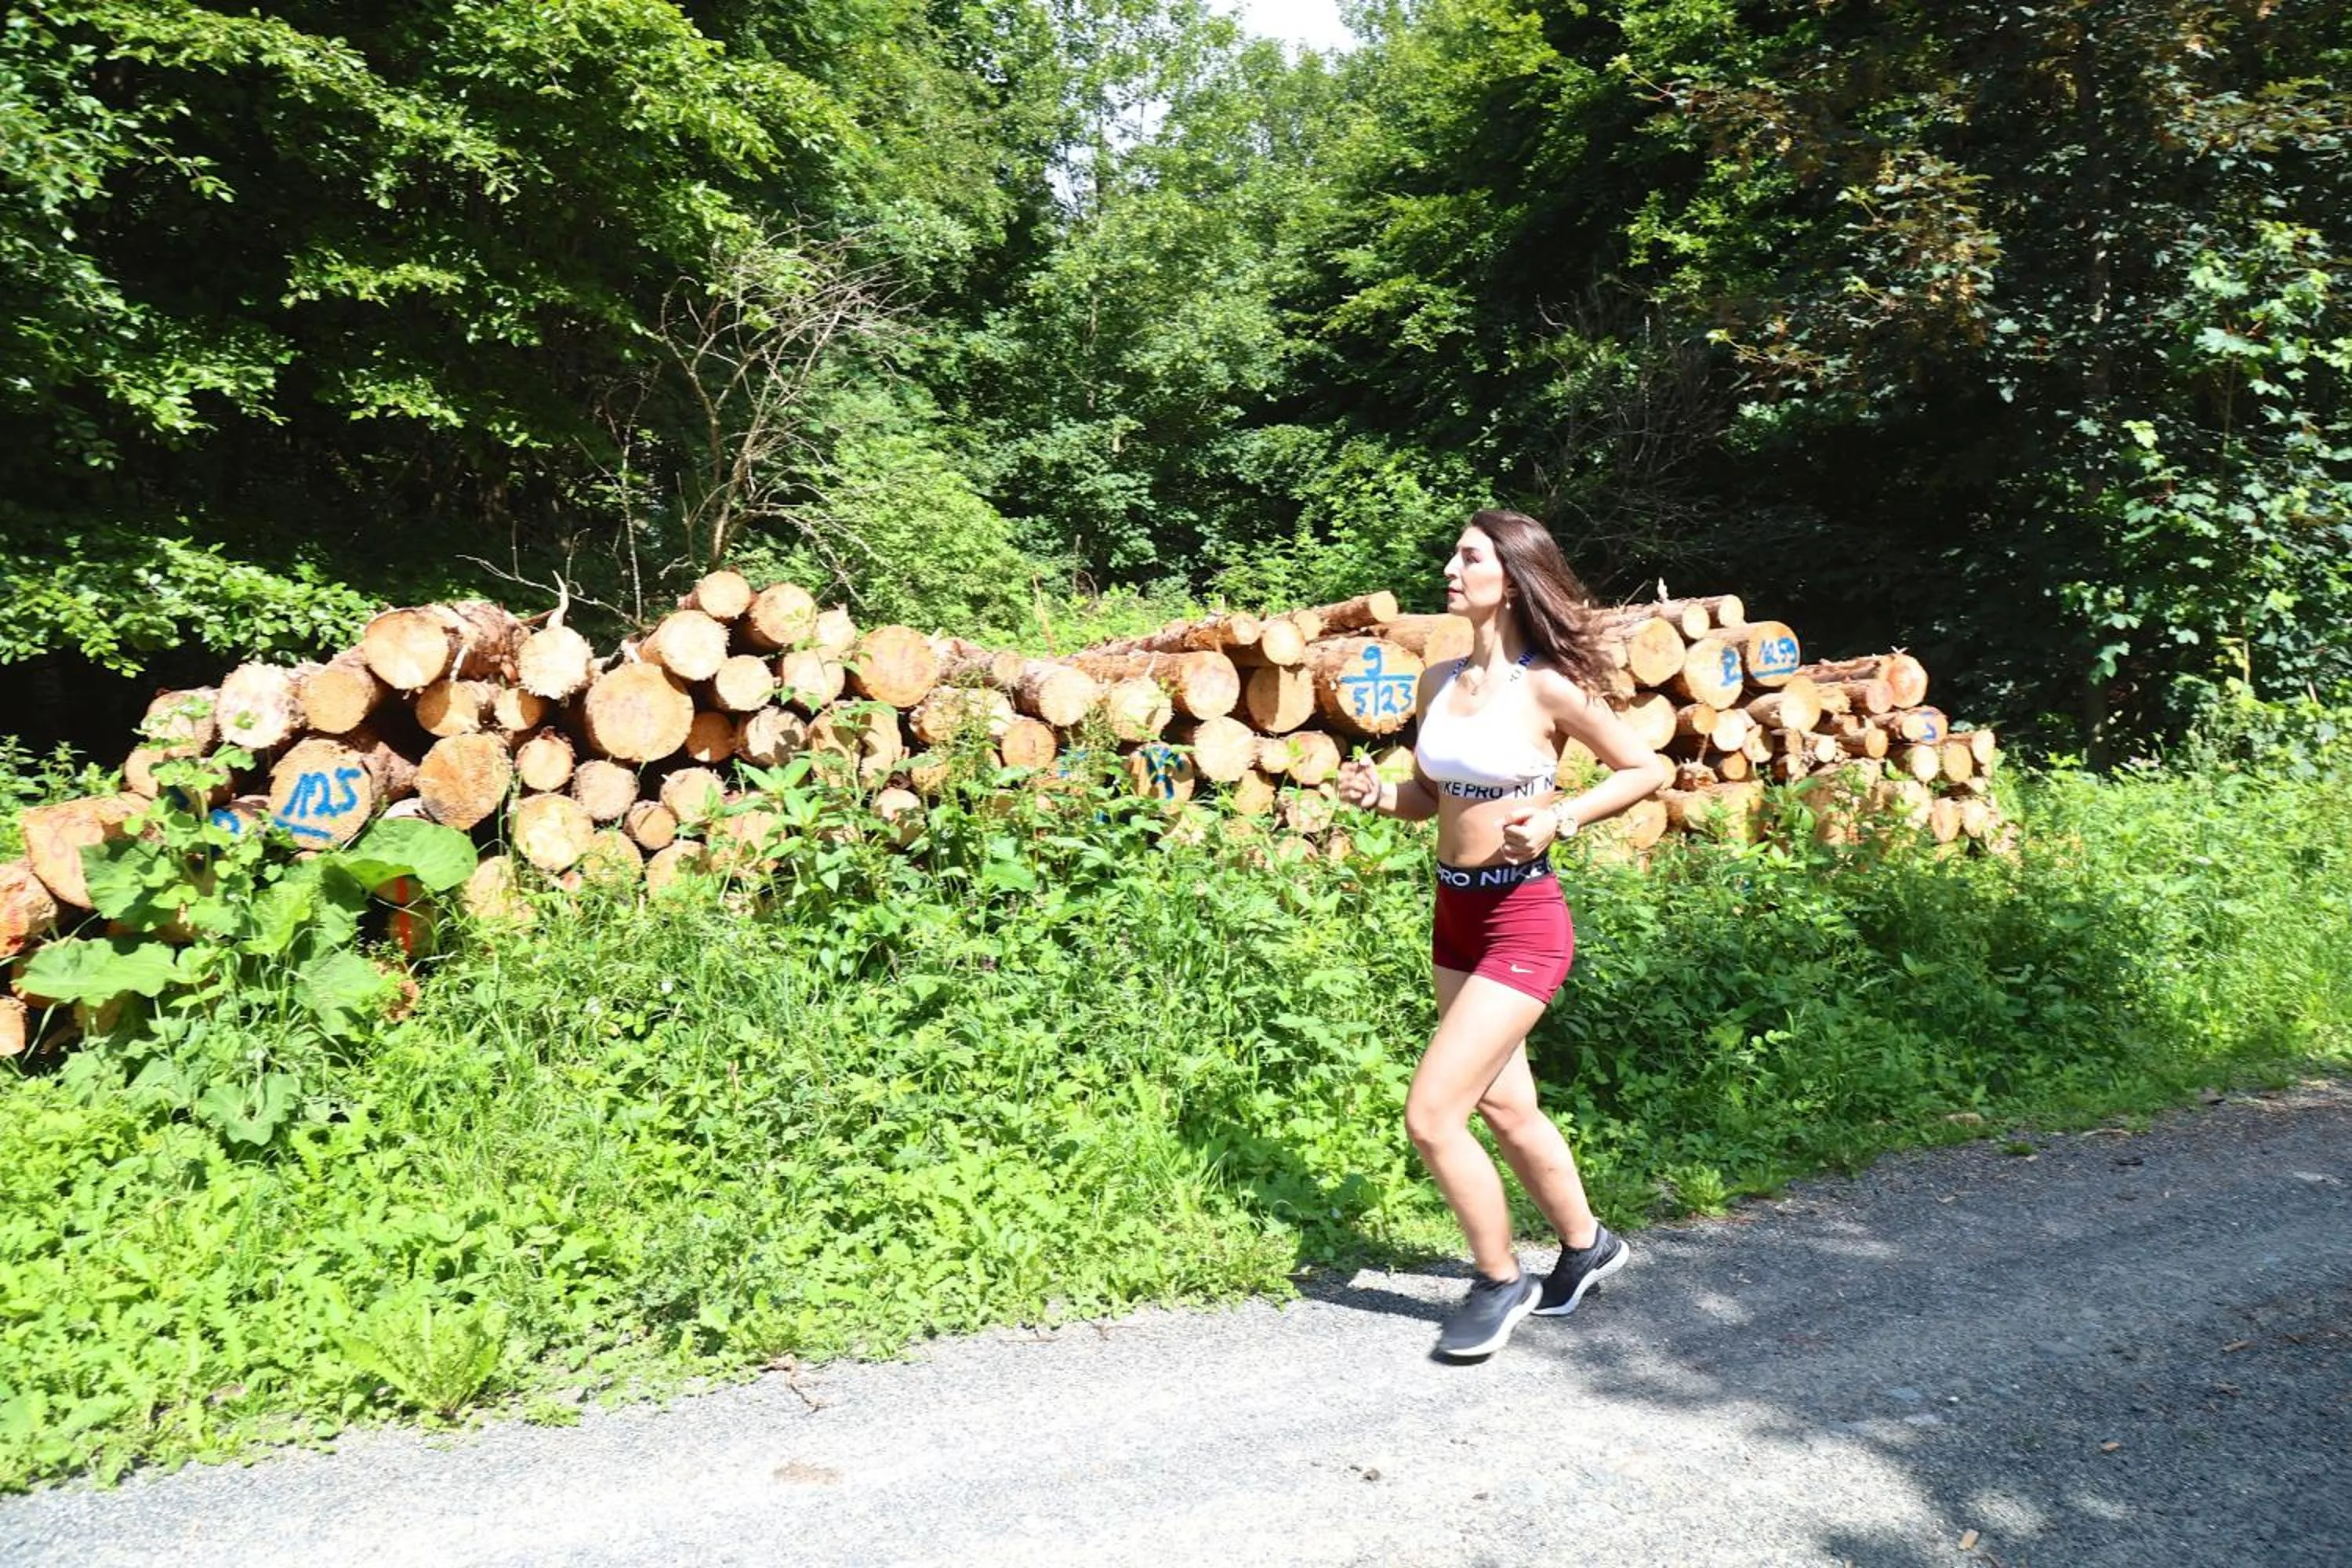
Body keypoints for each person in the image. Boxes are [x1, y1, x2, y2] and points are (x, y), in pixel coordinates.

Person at [1336, 509, 1671, 1359]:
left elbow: (1645, 767)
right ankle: (1587, 1242)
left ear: (1512, 576)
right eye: (1454, 550)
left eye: (1470, 554)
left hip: (1524, 914)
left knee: (1433, 1113)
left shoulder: (1547, 686)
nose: (1452, 565)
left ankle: (1497, 1278)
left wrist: (1560, 815)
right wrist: (1381, 797)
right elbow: (1431, 796)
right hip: (1456, 911)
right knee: (1507, 1105)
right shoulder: (1438, 678)